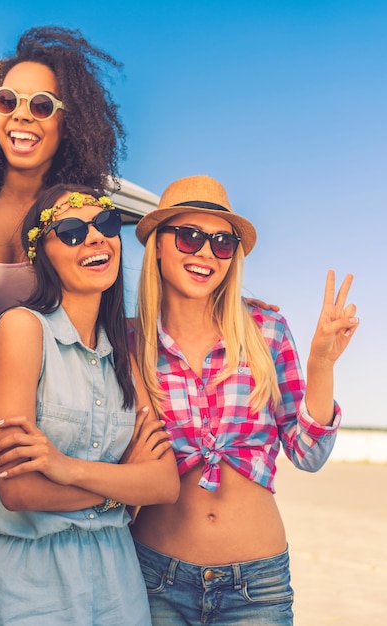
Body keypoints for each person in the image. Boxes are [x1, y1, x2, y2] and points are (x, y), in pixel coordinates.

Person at [129, 175, 359, 625]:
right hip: (154, 575)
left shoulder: (266, 329)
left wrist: (320, 366)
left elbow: (309, 455)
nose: (204, 253)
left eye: (221, 242)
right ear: (158, 244)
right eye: (189, 236)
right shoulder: (131, 342)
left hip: (256, 586)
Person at [0, 183, 179, 625]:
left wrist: (68, 469)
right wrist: (121, 489)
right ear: (41, 254)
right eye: (69, 230)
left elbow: (163, 484)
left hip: (118, 579)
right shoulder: (22, 330)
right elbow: (18, 490)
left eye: (104, 223)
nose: (94, 237)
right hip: (31, 580)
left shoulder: (122, 354)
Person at [0, 25, 126, 330]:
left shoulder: (81, 216)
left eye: (42, 105)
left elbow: (98, 319)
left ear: (68, 125)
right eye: (7, 100)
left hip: (37, 376)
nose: (21, 115)